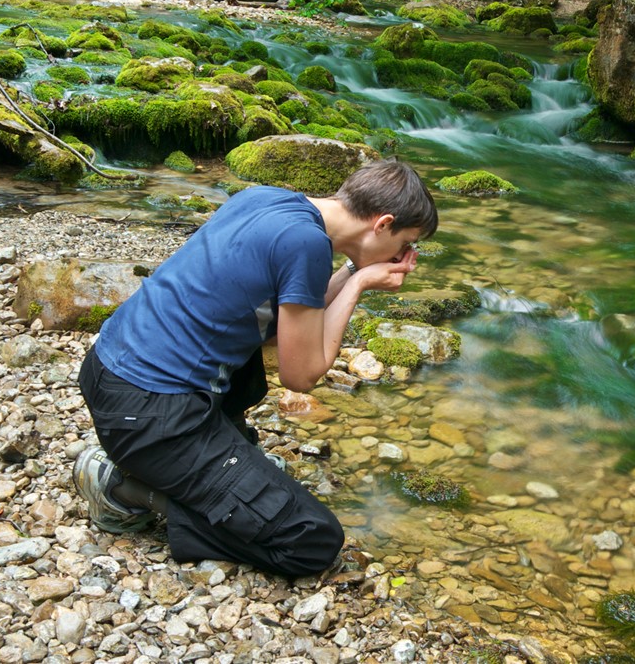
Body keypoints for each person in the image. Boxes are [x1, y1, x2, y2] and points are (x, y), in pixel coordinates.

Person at [73, 159, 438, 577]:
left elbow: (290, 319)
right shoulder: (306, 244)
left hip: (110, 369)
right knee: (311, 541)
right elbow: (300, 375)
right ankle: (123, 489)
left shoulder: (269, 199)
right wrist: (357, 285)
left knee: (248, 388)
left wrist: (355, 266)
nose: (403, 256)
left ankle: (205, 476)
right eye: (405, 243)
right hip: (151, 413)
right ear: (383, 223)